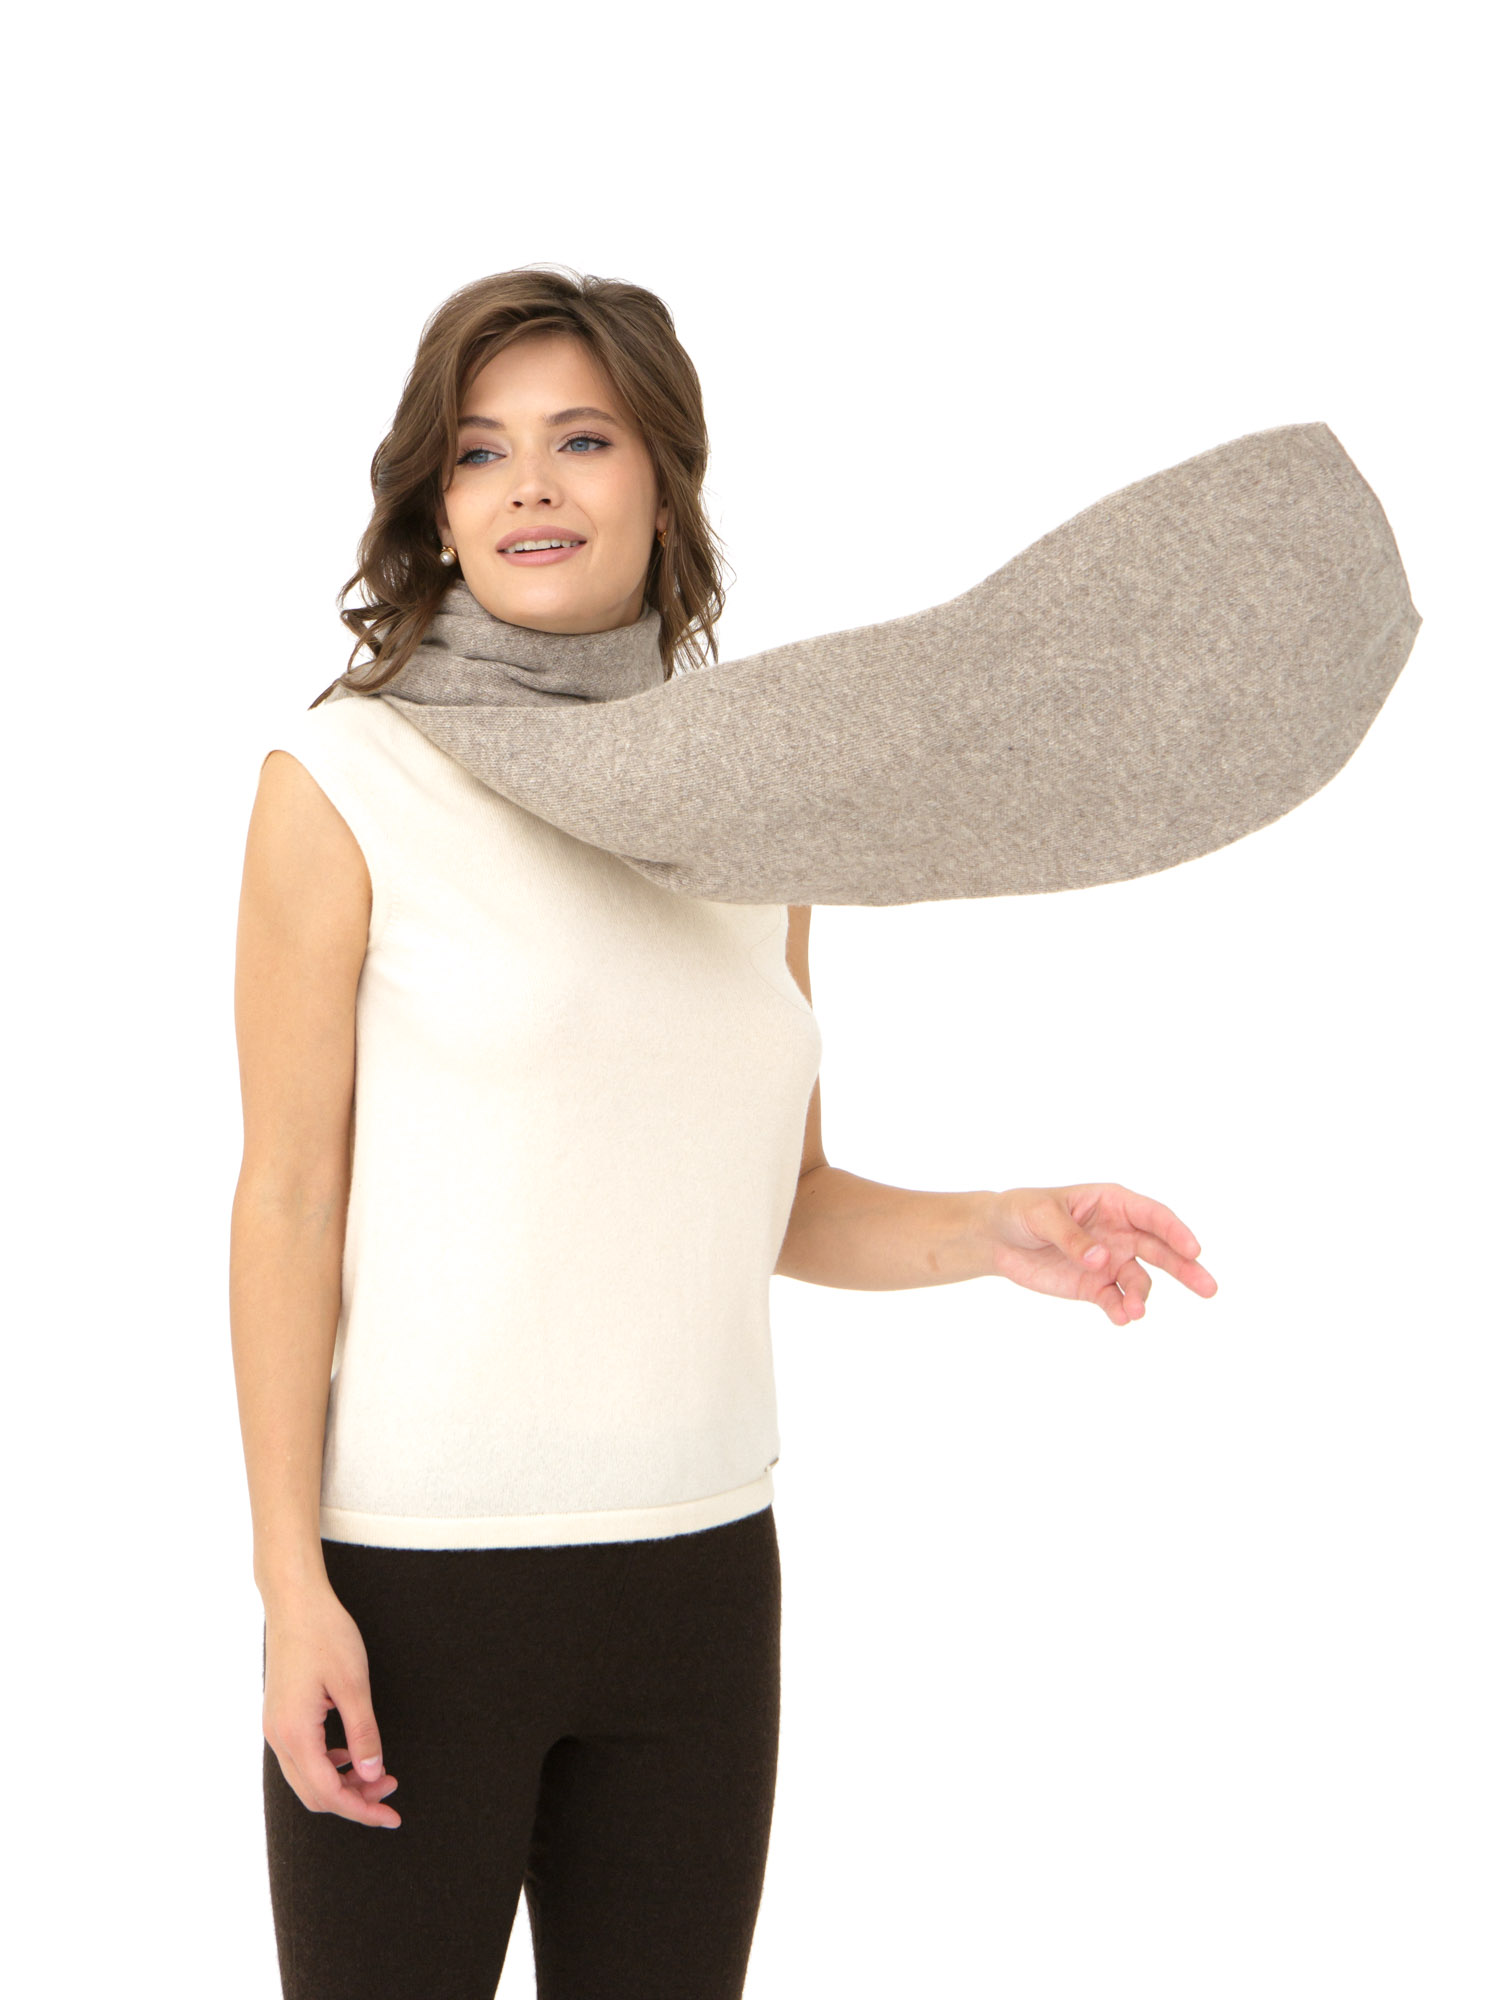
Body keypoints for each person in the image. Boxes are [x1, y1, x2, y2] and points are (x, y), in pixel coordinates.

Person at [230, 265, 1217, 2000]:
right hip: (420, 1594)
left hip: (697, 1579)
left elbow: (786, 1197)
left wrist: (1005, 1227)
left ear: (664, 484)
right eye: (479, 452)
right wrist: (289, 1586)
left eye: (581, 439)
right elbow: (291, 1198)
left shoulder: (756, 800)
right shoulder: (349, 780)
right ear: (436, 508)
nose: (529, 486)